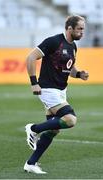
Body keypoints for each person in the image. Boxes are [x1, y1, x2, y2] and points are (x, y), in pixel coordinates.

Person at [24, 15, 89, 174]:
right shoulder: (53, 42)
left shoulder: (73, 46)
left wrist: (79, 74)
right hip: (48, 89)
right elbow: (31, 57)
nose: (82, 32)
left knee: (53, 130)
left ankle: (31, 163)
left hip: (61, 91)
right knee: (70, 120)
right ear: (69, 28)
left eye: (83, 29)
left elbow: (69, 66)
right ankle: (33, 128)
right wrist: (34, 82)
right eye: (79, 29)